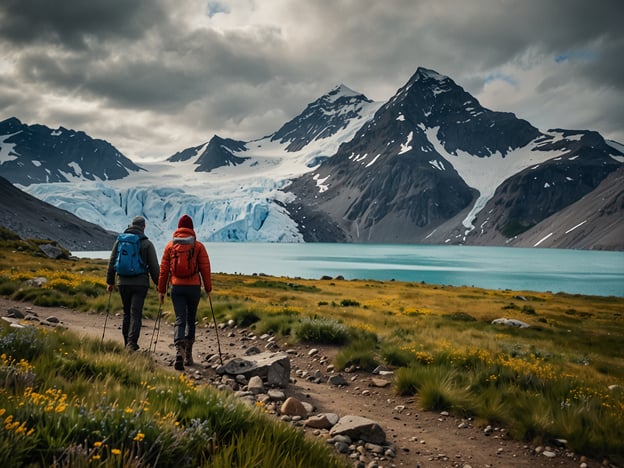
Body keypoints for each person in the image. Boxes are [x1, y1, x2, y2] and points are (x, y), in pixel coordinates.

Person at [158, 214, 212, 371]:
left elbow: (164, 270)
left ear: (179, 227)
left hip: (176, 287)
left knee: (180, 318)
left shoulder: (170, 246)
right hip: (193, 287)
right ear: (192, 228)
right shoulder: (198, 246)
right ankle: (188, 353)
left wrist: (161, 290)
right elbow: (205, 269)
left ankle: (179, 351)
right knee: (190, 318)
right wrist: (208, 289)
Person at [106, 215, 160, 351]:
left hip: (123, 282)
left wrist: (110, 281)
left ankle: (126, 343)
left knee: (126, 313)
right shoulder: (147, 243)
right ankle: (132, 343)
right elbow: (153, 266)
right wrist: (159, 284)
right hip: (140, 284)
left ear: (131, 225)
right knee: (136, 313)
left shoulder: (120, 241)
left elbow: (112, 262)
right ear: (144, 226)